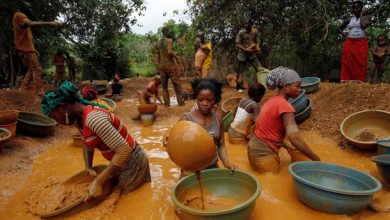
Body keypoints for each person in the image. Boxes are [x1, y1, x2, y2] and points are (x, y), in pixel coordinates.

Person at [41, 81, 151, 199]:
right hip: (120, 161)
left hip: (133, 161)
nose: (57, 122)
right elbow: (87, 143)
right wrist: (89, 167)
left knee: (125, 198)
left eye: (54, 116)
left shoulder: (94, 118)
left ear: (63, 107)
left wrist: (98, 181)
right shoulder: (79, 120)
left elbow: (124, 150)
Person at [248, 67, 320, 173]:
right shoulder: (285, 107)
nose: (300, 89)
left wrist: (286, 146)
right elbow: (294, 138)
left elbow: (266, 131)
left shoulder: (271, 101)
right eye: (297, 86)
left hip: (253, 149)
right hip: (264, 155)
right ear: (286, 86)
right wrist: (316, 159)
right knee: (273, 185)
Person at [180, 78, 236, 176]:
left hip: (212, 166)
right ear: (196, 99)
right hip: (191, 169)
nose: (204, 103)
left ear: (215, 100)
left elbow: (221, 144)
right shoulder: (186, 119)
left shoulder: (218, 118)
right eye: (200, 99)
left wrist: (227, 163)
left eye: (209, 100)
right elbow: (176, 144)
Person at [13, 1, 59, 95]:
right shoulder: (20, 16)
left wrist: (34, 49)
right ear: (22, 8)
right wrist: (49, 23)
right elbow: (29, 23)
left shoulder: (19, 16)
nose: (29, 10)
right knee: (37, 68)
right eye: (28, 8)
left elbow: (27, 34)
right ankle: (39, 91)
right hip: (26, 48)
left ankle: (22, 88)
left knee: (31, 68)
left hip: (28, 48)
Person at [338, 1, 371, 82]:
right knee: (347, 60)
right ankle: (346, 80)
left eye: (357, 8)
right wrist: (346, 36)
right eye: (353, 8)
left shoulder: (367, 17)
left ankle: (359, 80)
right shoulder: (350, 19)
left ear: (361, 8)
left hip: (361, 42)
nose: (355, 9)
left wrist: (361, 15)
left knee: (360, 60)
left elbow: (363, 25)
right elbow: (338, 28)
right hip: (349, 42)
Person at [154, 26, 184, 106]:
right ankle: (180, 102)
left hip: (161, 67)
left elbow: (156, 56)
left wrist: (158, 67)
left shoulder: (157, 43)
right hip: (170, 66)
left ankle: (167, 104)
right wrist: (177, 57)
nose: (170, 33)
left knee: (164, 86)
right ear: (166, 32)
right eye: (169, 31)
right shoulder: (169, 40)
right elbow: (170, 52)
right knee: (177, 84)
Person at [235, 19, 262, 93]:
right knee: (240, 71)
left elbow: (257, 42)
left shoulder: (255, 31)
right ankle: (239, 87)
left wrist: (258, 48)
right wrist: (245, 49)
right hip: (242, 54)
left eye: (247, 24)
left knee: (259, 68)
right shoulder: (241, 32)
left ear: (251, 24)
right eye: (245, 24)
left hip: (252, 54)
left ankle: (260, 85)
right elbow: (237, 43)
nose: (245, 25)